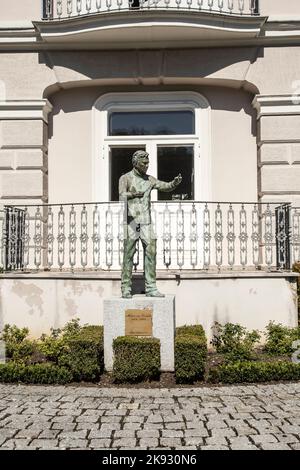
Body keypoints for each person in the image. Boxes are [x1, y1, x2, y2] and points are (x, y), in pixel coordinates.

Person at [119, 150, 182, 298]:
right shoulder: (125, 178)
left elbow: (165, 186)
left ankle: (151, 287)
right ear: (135, 163)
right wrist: (133, 194)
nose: (147, 165)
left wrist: (174, 183)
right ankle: (126, 287)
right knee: (129, 253)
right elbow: (121, 195)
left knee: (151, 252)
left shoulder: (150, 180)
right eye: (144, 163)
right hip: (132, 221)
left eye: (148, 163)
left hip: (146, 221)